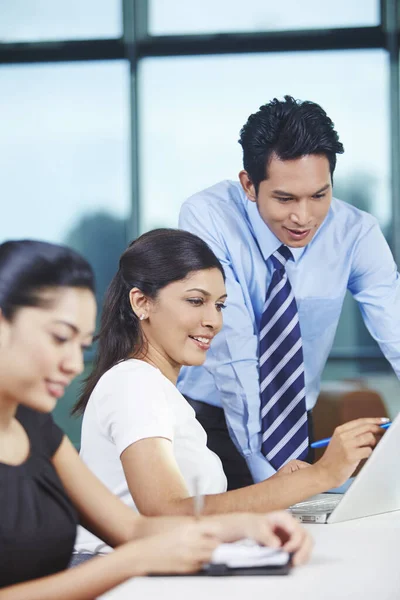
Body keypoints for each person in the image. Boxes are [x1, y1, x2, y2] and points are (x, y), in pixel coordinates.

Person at [0, 239, 312, 600]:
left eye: (81, 344)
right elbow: (145, 534)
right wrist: (131, 562)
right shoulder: (133, 380)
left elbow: (133, 530)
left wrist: (247, 525)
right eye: (59, 338)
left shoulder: (36, 430)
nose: (72, 364)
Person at [74, 228, 385, 553]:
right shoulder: (134, 382)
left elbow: (189, 511)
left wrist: (281, 487)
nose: (213, 321)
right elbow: (167, 513)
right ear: (141, 302)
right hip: (119, 580)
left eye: (220, 305)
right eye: (196, 301)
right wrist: (323, 475)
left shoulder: (152, 386)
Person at [177, 95, 400, 489]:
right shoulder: (208, 216)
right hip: (208, 418)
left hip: (294, 421)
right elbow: (234, 344)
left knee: (304, 538)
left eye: (319, 195)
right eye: (285, 199)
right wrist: (262, 466)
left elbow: (395, 322)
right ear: (249, 184)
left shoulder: (355, 232)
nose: (303, 217)